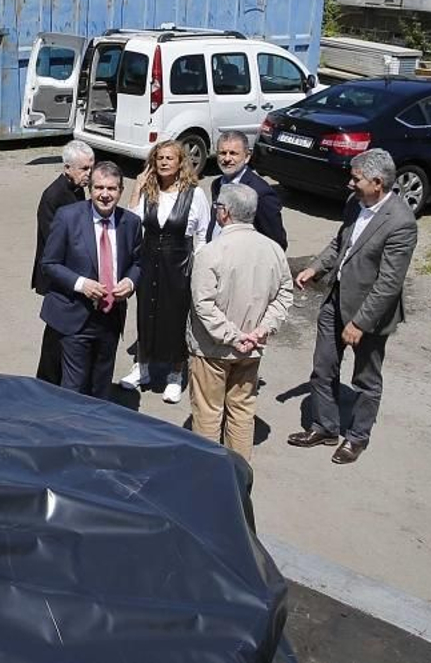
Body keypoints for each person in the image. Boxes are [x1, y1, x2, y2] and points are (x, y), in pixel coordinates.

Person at [288, 148, 418, 465]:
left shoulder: (401, 223)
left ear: (377, 182)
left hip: (371, 315)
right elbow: (340, 243)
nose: (350, 183)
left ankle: (356, 437)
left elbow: (389, 282)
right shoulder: (355, 204)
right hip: (336, 298)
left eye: (356, 178)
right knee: (323, 368)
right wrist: (315, 268)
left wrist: (360, 323)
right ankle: (325, 427)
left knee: (366, 380)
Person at [187, 183, 293, 462]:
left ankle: (208, 476)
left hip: (213, 350)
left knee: (208, 414)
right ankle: (240, 474)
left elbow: (203, 305)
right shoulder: (273, 250)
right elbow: (284, 294)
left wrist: (234, 336)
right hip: (251, 349)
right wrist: (260, 331)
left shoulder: (211, 252)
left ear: (224, 212)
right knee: (242, 411)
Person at [39, 162, 142, 398]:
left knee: (101, 386)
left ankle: (96, 432)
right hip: (75, 316)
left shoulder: (131, 223)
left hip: (110, 317)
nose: (105, 195)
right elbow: (49, 264)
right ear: (90, 189)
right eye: (99, 188)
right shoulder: (68, 217)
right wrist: (81, 284)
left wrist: (130, 282)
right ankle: (70, 432)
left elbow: (138, 262)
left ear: (121, 190)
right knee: (74, 387)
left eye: (112, 189)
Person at [121, 140, 211, 403]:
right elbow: (132, 222)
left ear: (180, 161)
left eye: (169, 158)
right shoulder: (149, 190)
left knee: (175, 319)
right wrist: (137, 187)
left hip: (179, 264)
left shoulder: (194, 194)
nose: (163, 162)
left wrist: (201, 271)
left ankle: (175, 374)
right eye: (159, 158)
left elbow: (203, 236)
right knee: (146, 314)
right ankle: (143, 368)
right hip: (149, 262)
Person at [32, 140, 96, 383]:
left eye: (91, 167)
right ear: (67, 167)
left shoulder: (79, 189)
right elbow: (53, 242)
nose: (88, 174)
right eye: (83, 169)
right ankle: (47, 379)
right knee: (57, 331)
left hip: (75, 273)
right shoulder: (54, 195)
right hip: (59, 274)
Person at [207, 131, 287, 250]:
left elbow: (276, 241)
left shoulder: (260, 192)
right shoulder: (217, 185)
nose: (227, 158)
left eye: (233, 153)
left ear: (247, 157)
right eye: (223, 153)